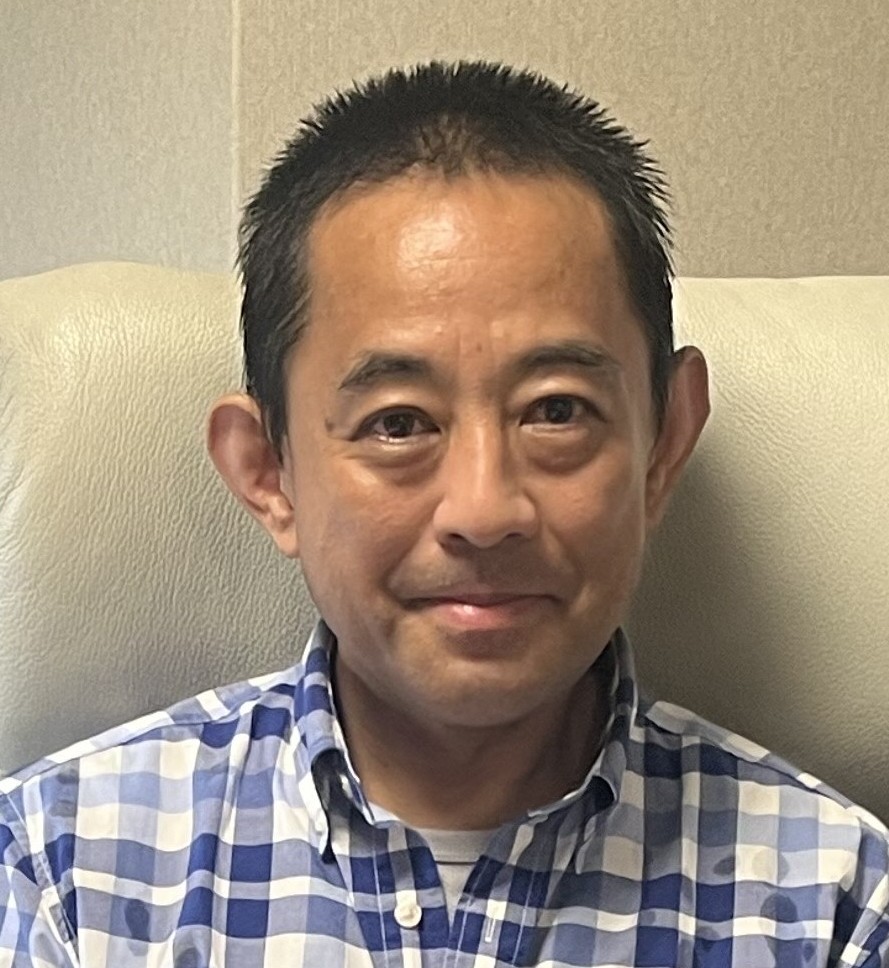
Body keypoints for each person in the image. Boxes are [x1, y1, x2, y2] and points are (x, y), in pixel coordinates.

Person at [1, 61, 887, 968]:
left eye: (555, 410)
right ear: (269, 473)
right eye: (397, 424)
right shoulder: (59, 877)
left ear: (662, 444)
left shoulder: (836, 908)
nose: (484, 509)